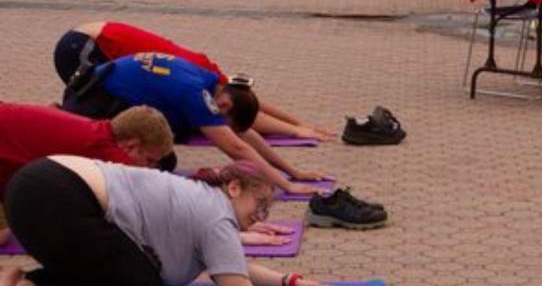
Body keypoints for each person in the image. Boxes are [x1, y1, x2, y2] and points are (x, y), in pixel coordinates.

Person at [3, 156, 322, 286]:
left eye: (268, 210)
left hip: (40, 186)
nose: (260, 215)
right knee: (141, 278)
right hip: (56, 194)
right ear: (234, 188)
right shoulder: (218, 216)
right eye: (260, 204)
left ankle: (23, 281)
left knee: (121, 268)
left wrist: (288, 281)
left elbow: (229, 266)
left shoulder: (206, 204)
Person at [61, 52, 329, 196]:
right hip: (90, 103)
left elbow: (244, 138)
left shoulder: (211, 82)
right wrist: (287, 186)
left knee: (164, 156)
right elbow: (236, 148)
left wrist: (292, 171)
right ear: (223, 107)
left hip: (96, 89)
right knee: (158, 164)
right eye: (225, 122)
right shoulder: (197, 94)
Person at [53, 21, 335, 142]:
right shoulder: (199, 81)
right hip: (83, 46)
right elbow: (246, 118)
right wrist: (297, 132)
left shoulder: (209, 75)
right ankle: (54, 119)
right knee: (94, 113)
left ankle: (56, 117)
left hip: (89, 39)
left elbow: (251, 105)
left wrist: (299, 124)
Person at [0, 102, 173, 245]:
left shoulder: (93, 129)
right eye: (149, 161)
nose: (148, 169)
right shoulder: (109, 154)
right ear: (131, 146)